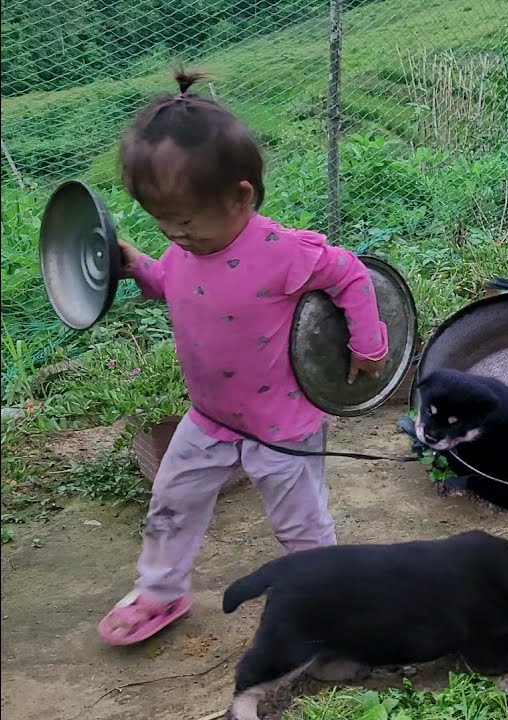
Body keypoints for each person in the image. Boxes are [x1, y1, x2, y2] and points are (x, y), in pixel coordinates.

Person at [97, 70, 390, 646]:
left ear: (240, 196)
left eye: (185, 219)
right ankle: (160, 590)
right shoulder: (184, 249)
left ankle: (327, 598)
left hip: (282, 423)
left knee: (300, 523)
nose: (173, 232)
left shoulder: (283, 251)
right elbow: (175, 287)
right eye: (159, 219)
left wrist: (369, 345)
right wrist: (137, 266)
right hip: (209, 417)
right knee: (171, 502)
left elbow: (352, 275)